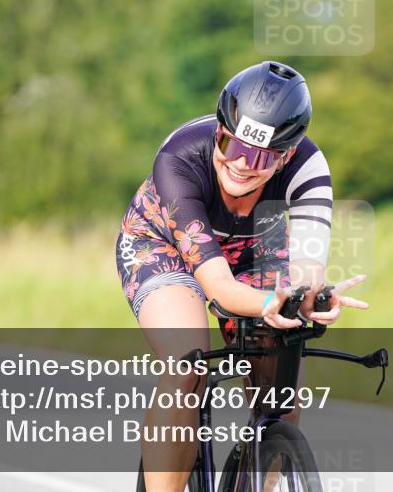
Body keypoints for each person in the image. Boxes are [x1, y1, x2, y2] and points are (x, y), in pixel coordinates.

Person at [115, 60, 368, 492]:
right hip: (163, 246)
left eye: (261, 157)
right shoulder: (178, 159)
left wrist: (307, 296)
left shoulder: (309, 169)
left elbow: (305, 269)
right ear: (219, 130)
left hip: (253, 249)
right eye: (232, 146)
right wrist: (270, 302)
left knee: (283, 391)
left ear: (287, 155)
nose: (241, 165)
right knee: (186, 362)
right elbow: (218, 288)